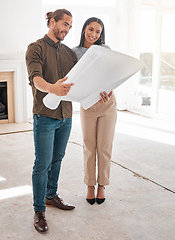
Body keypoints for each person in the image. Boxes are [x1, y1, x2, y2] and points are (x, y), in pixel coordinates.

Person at [25, 9, 77, 233]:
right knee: (42, 164)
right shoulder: (35, 48)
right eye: (64, 24)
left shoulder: (69, 53)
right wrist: (52, 87)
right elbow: (35, 79)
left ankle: (50, 196)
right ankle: (39, 210)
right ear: (52, 22)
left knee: (57, 159)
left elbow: (79, 81)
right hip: (45, 116)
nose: (66, 29)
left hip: (66, 116)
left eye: (70, 27)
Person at [73, 17, 117, 205]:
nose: (93, 34)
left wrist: (110, 89)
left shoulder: (105, 50)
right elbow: (74, 78)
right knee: (89, 146)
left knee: (104, 146)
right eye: (90, 29)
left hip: (107, 103)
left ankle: (102, 185)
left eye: (97, 32)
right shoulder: (74, 53)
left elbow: (113, 73)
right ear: (84, 29)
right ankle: (90, 185)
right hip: (87, 104)